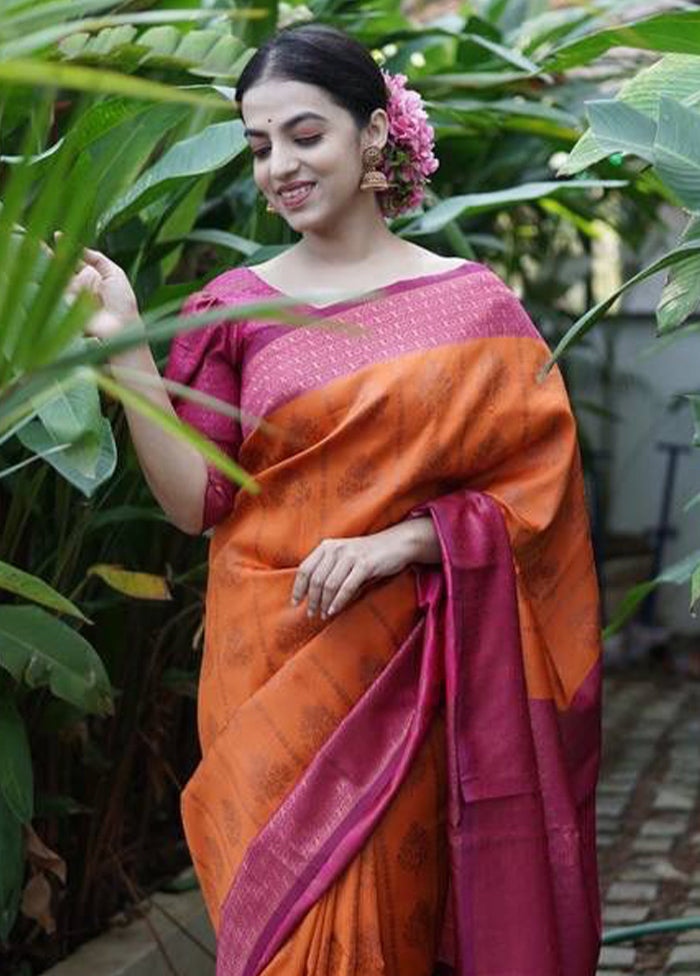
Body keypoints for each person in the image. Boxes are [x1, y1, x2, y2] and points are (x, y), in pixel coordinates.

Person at [67, 22, 602, 976]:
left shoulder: (477, 306)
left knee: (382, 927)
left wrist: (408, 543)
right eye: (259, 145)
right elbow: (197, 505)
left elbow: (538, 494)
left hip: (405, 665)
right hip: (265, 665)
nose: (280, 166)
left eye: (306, 135)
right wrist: (123, 346)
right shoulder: (231, 310)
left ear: (374, 134)